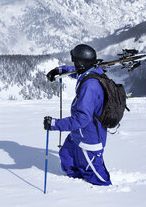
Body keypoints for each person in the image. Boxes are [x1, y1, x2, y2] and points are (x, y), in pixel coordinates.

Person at [44, 44, 112, 186]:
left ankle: (98, 197)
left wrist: (55, 124)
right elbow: (77, 72)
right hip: (78, 134)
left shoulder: (90, 86)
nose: (74, 64)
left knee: (98, 178)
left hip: (89, 139)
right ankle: (75, 187)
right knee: (67, 158)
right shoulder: (90, 72)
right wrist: (60, 70)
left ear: (81, 63)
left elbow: (82, 118)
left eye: (75, 61)